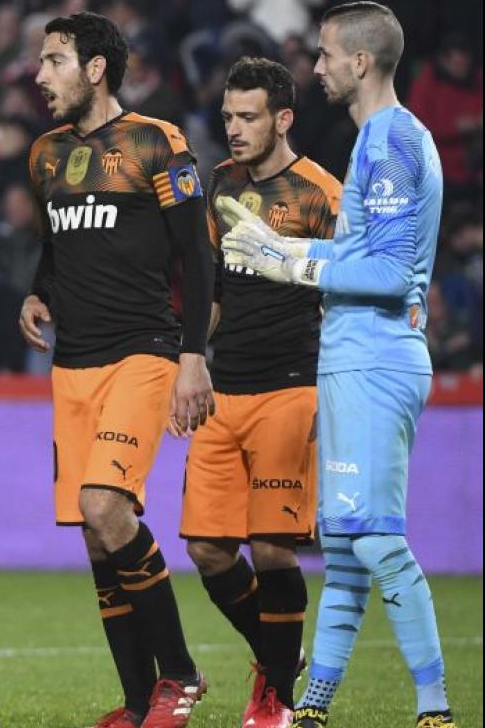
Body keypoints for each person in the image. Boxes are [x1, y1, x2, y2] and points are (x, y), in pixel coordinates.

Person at [220, 1, 458, 728]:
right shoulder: (390, 137)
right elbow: (371, 259)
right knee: (350, 550)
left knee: (379, 539)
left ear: (360, 62)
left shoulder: (386, 144)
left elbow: (388, 275)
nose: (315, 66)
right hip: (363, 358)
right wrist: (288, 249)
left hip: (373, 360)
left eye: (325, 54)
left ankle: (435, 709)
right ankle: (314, 707)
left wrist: (290, 262)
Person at [18, 12, 214, 728]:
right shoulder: (43, 155)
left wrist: (194, 356)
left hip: (144, 351)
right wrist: (39, 291)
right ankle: (136, 704)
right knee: (96, 533)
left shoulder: (156, 144)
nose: (40, 76)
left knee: (109, 508)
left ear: (96, 69)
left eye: (55, 61)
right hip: (73, 363)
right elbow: (56, 243)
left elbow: (196, 256)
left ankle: (182, 676)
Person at [181, 56, 339, 728]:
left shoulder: (321, 194)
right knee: (208, 548)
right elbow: (212, 288)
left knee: (272, 546)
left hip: (291, 387)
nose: (235, 129)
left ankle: (272, 693)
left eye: (248, 117)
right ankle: (279, 657)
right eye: (227, 117)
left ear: (283, 119)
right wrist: (187, 356)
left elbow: (343, 297)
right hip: (226, 387)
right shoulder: (221, 183)